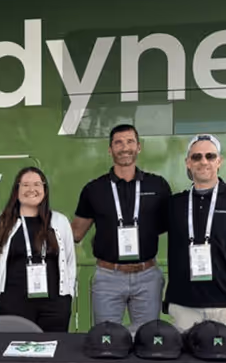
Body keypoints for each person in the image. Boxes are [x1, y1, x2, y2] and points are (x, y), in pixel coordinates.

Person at [72, 124, 172, 332]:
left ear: (139, 147)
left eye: (130, 142)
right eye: (118, 143)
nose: (124, 148)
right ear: (110, 150)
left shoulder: (158, 185)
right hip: (108, 277)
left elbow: (168, 225)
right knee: (106, 338)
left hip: (147, 276)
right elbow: (76, 233)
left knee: (147, 339)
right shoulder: (94, 189)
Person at [164, 133, 226, 331]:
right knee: (185, 352)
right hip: (184, 306)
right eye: (196, 157)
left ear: (219, 161)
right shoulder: (175, 204)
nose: (203, 161)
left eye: (210, 156)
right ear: (188, 163)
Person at [0, 167, 76, 332]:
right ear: (17, 190)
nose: (31, 189)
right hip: (14, 305)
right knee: (16, 347)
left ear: (44, 189)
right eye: (25, 185)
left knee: (53, 347)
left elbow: (69, 262)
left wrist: (68, 296)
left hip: (55, 306)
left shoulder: (59, 221)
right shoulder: (2, 222)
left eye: (37, 184)